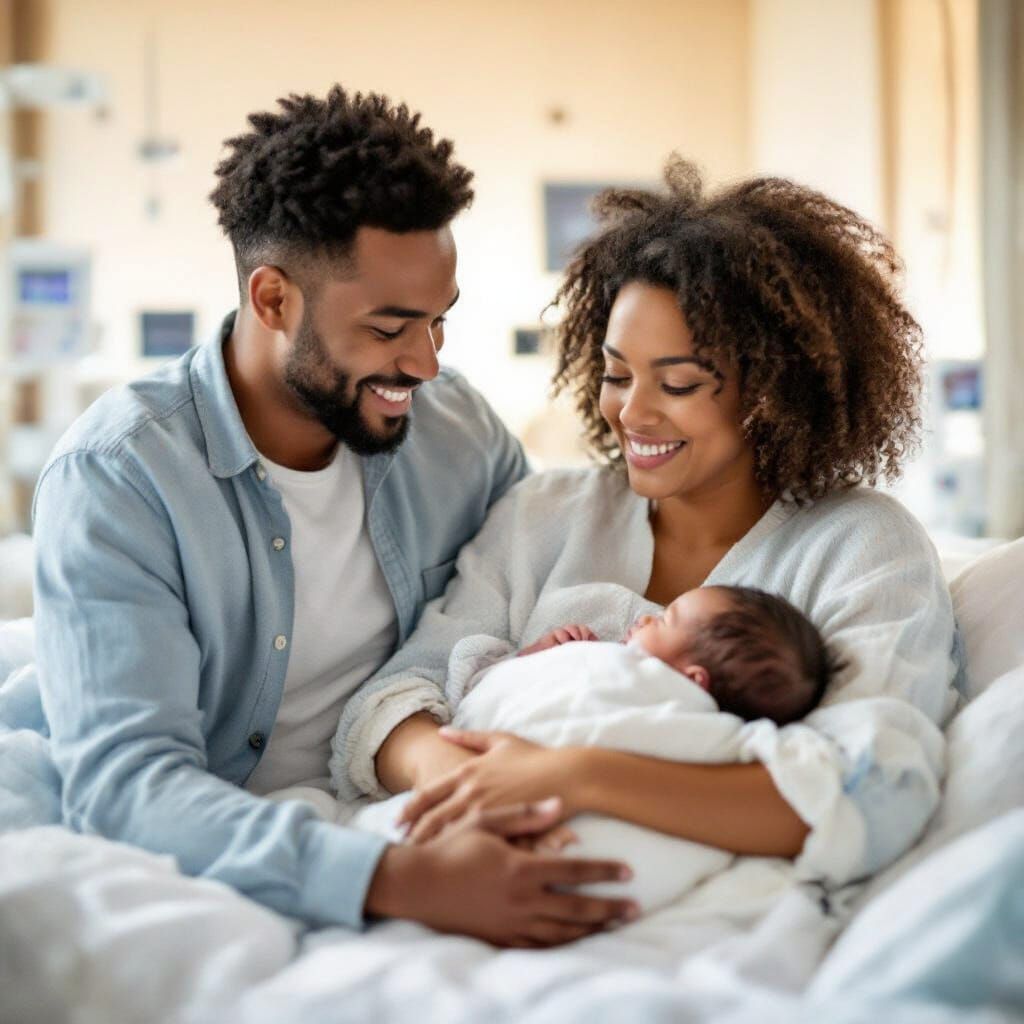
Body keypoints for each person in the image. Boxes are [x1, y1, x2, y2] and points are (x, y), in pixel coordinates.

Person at [31, 86, 638, 948]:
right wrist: (396, 880)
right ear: (272, 298)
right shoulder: (119, 477)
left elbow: (537, 589)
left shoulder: (457, 430)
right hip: (251, 839)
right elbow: (128, 784)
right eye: (392, 327)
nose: (425, 363)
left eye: (438, 322)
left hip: (416, 794)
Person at [331, 159, 958, 892]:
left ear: (776, 389)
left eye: (680, 383)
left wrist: (577, 774)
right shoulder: (547, 516)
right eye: (617, 373)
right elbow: (393, 702)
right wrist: (463, 780)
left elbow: (871, 789)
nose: (631, 412)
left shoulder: (862, 546)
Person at [519, 584, 842, 727]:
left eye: (663, 620)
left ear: (692, 679)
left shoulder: (651, 711)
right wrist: (547, 657)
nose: (645, 618)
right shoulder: (603, 660)